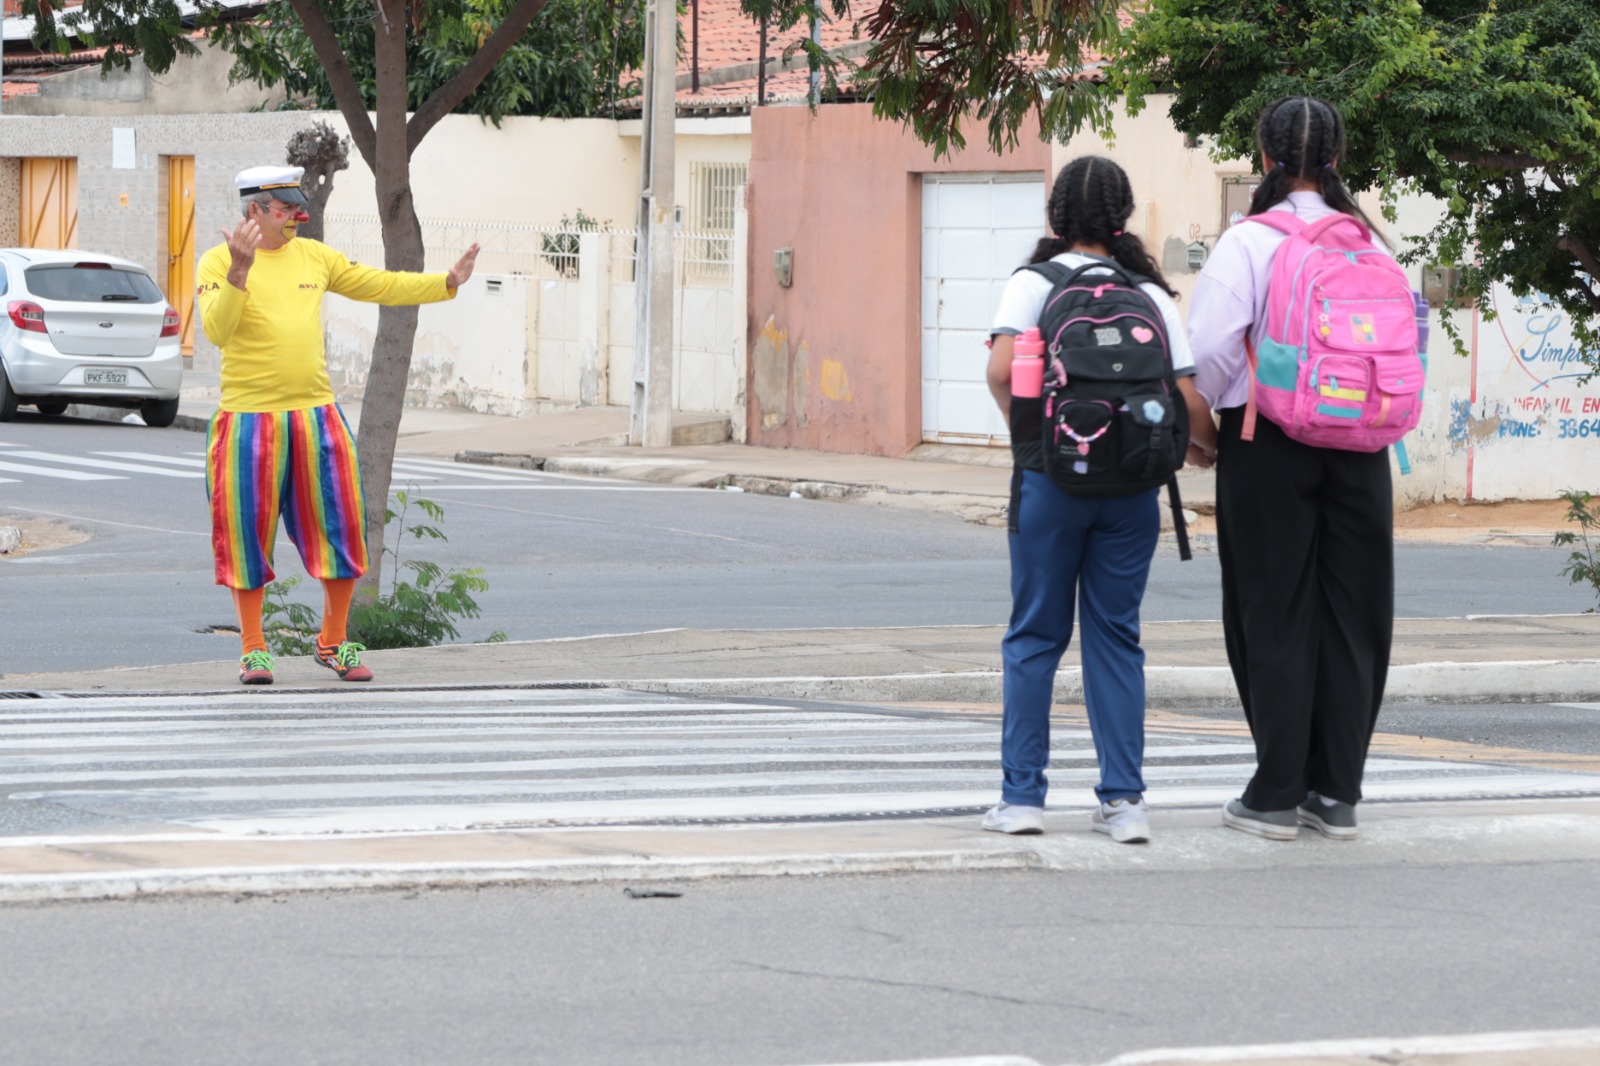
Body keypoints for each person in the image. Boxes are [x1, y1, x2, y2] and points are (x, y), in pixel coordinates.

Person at [982, 156, 1217, 843]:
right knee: (1116, 637)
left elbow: (1001, 371)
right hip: (1134, 492)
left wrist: (1032, 438)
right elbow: (1189, 400)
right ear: (1122, 218)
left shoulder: (1032, 282)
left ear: (1056, 216)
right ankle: (1125, 802)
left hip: (1051, 482)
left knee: (1034, 637)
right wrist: (1201, 449)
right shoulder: (1147, 290)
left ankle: (1023, 800)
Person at [1186, 96, 1396, 841]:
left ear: (1265, 158)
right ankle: (1336, 794)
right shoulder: (1369, 242)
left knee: (1272, 611)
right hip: (1362, 446)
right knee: (1355, 616)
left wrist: (1210, 431)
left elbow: (1209, 348)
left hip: (1266, 439)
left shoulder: (1248, 241)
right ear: (1337, 159)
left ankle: (1275, 793)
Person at [196, 165, 480, 686]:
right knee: (245, 538)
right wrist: (239, 273)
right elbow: (217, 330)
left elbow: (380, 283)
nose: (297, 217)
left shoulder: (314, 256)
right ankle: (254, 649)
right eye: (285, 210)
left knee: (343, 526)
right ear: (255, 210)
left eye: (298, 207)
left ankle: (332, 641)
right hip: (247, 420)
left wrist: (446, 282)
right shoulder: (217, 261)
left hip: (316, 415)